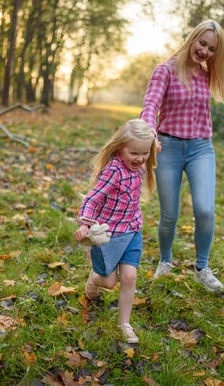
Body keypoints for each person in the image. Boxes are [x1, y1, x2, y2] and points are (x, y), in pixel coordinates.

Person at [140, 19, 224, 292]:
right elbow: (150, 105)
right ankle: (165, 262)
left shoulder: (207, 75)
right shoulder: (166, 71)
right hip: (168, 147)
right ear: (192, 39)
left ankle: (201, 267)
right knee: (169, 214)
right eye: (202, 43)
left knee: (205, 210)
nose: (205, 51)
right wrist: (150, 133)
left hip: (201, 149)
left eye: (212, 48)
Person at [74, 119, 157, 344]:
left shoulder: (140, 163)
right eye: (134, 153)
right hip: (109, 235)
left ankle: (124, 323)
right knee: (109, 282)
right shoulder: (113, 172)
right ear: (121, 147)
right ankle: (93, 280)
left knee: (129, 276)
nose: (140, 159)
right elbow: (92, 198)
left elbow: (149, 145)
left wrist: (153, 146)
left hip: (132, 230)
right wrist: (85, 224)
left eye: (145, 153)